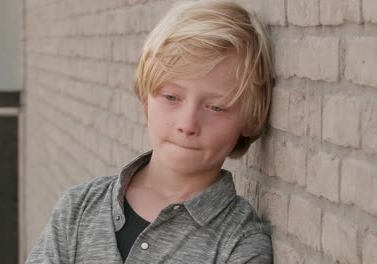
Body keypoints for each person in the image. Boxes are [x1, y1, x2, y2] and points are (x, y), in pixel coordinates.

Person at [26, 1, 274, 263]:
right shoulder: (77, 209)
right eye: (171, 97)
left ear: (250, 119)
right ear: (145, 99)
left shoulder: (240, 242)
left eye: (215, 107)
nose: (187, 124)